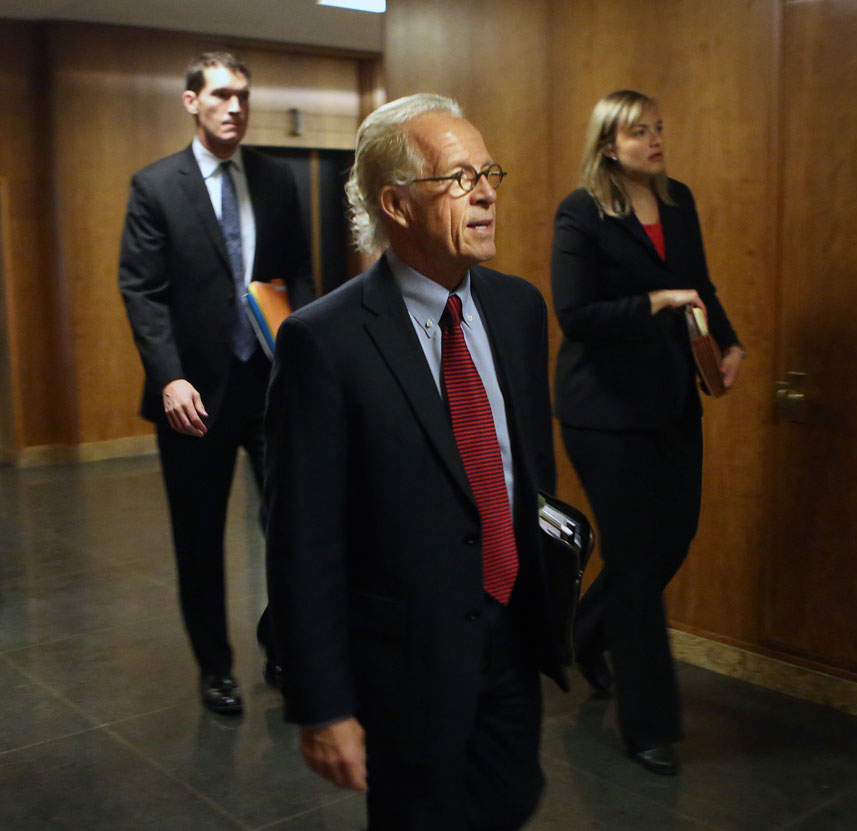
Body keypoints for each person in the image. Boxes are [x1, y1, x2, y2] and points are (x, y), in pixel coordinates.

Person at [264, 94, 564, 830]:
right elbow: (303, 540)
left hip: (510, 641)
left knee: (508, 802)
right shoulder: (324, 342)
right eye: (460, 178)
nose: (488, 190)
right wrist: (323, 704)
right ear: (396, 204)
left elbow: (525, 472)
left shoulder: (521, 310)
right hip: (404, 664)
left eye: (488, 171)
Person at [550, 90, 744, 775]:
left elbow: (701, 286)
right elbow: (575, 315)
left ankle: (581, 632)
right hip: (602, 411)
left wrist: (728, 341)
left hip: (670, 401)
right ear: (609, 145)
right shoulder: (581, 212)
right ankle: (649, 725)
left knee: (673, 537)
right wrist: (654, 302)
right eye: (639, 131)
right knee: (634, 562)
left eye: (659, 128)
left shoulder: (680, 200)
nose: (655, 140)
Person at [118, 52, 314, 716]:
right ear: (190, 101)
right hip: (192, 399)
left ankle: (284, 645)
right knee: (198, 539)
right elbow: (141, 291)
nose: (235, 107)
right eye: (222, 95)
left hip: (269, 387)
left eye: (244, 97)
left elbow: (299, 278)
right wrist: (168, 377)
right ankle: (215, 667)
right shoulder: (155, 186)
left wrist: (304, 362)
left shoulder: (277, 179)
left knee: (292, 525)